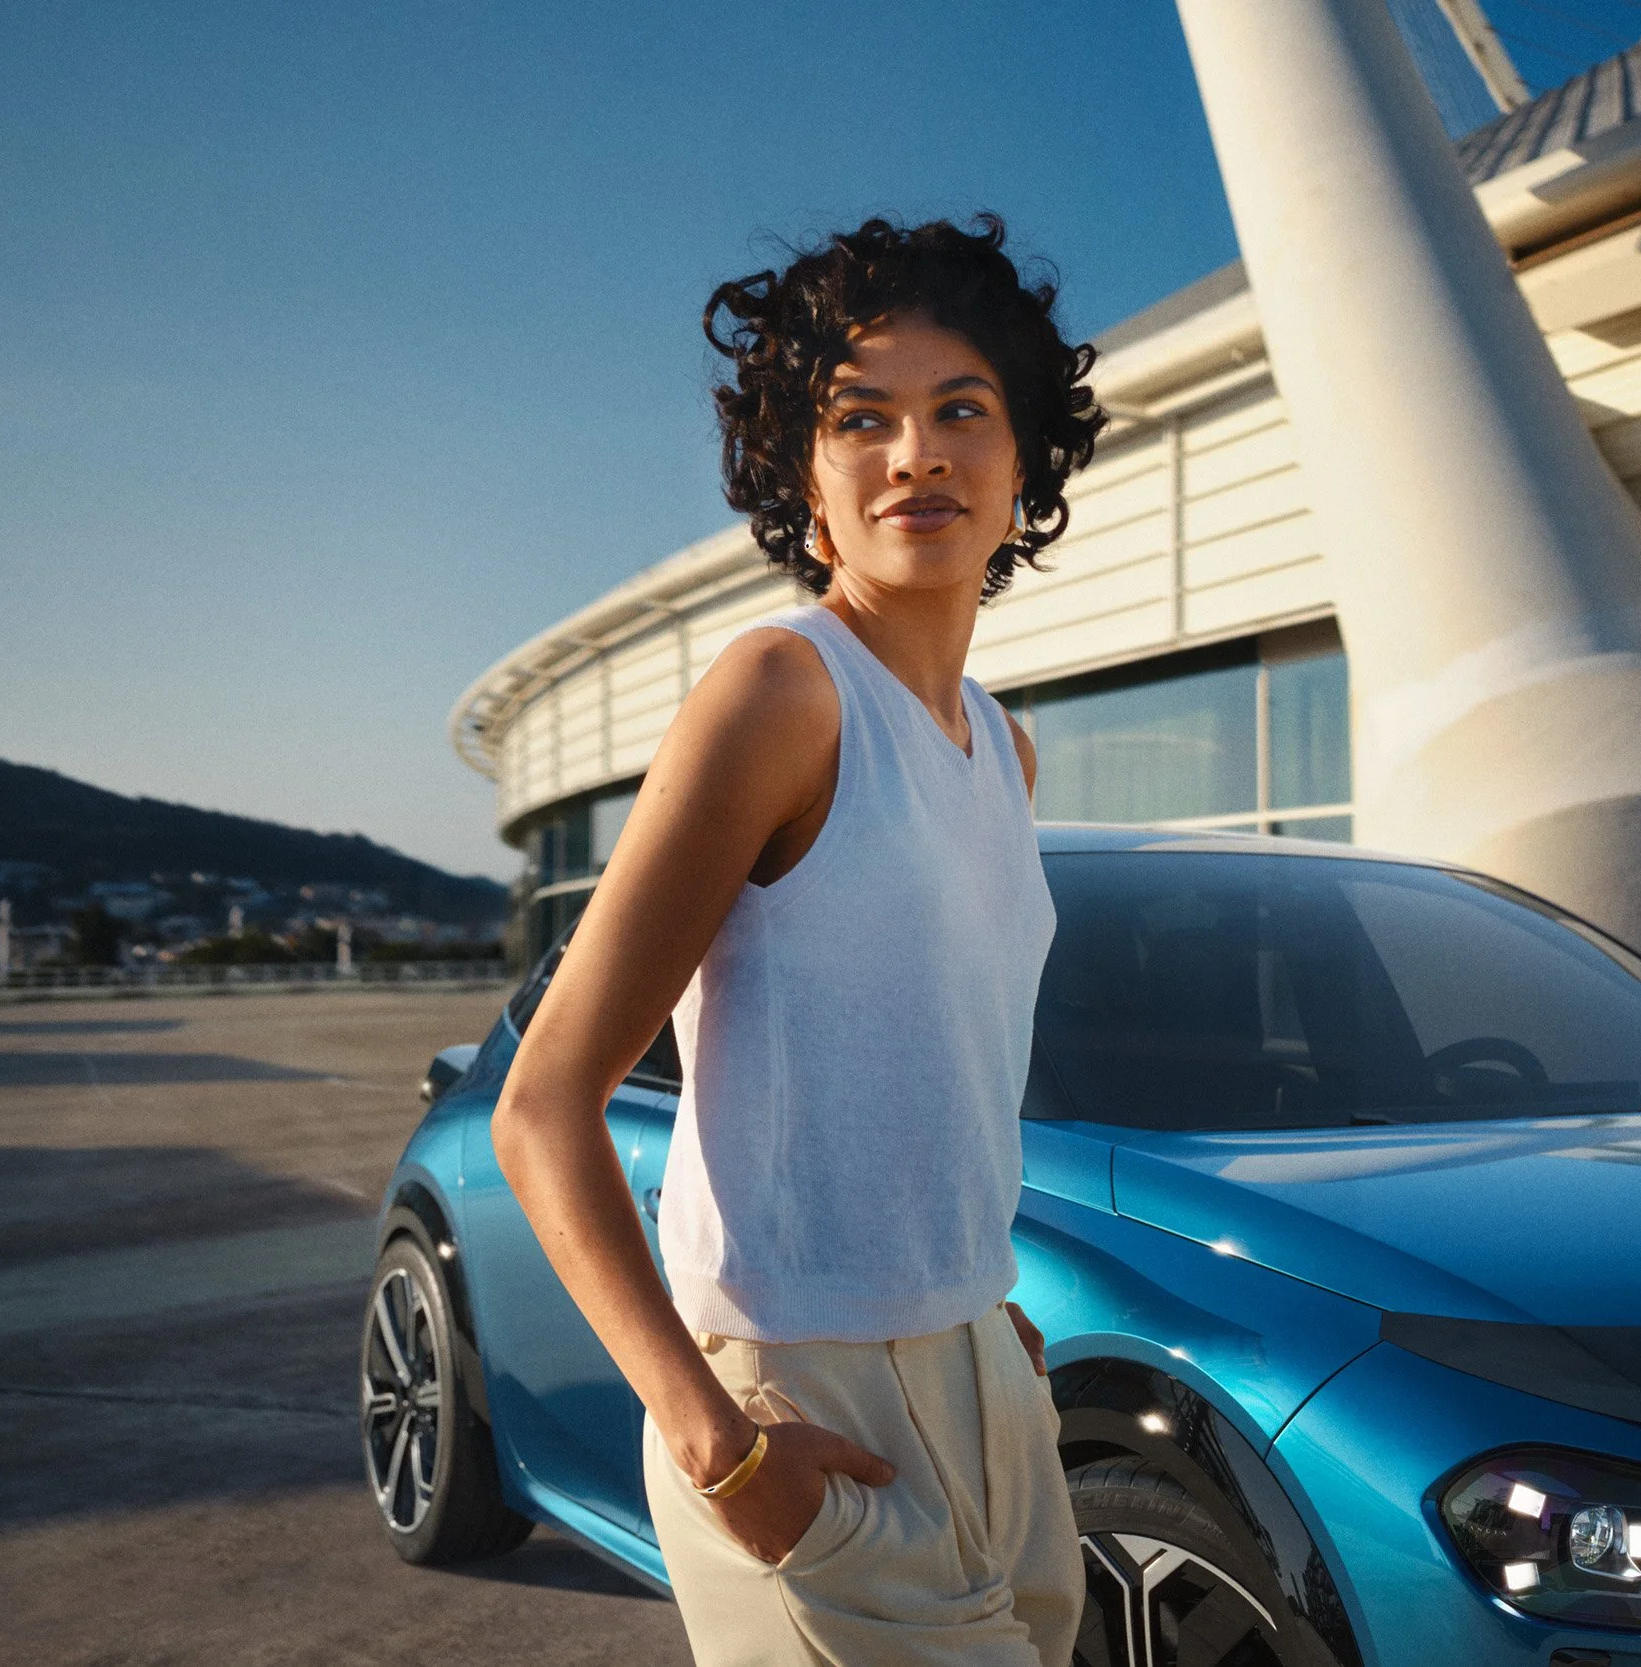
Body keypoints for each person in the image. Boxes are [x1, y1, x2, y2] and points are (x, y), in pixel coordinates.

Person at [491, 215, 1104, 1666]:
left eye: (962, 409)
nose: (917, 454)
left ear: (1024, 471)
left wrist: (976, 1324)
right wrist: (716, 1444)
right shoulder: (783, 692)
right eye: (861, 421)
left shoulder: (1004, 755)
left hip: (988, 1371)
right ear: (809, 491)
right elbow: (540, 1109)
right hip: (799, 1404)